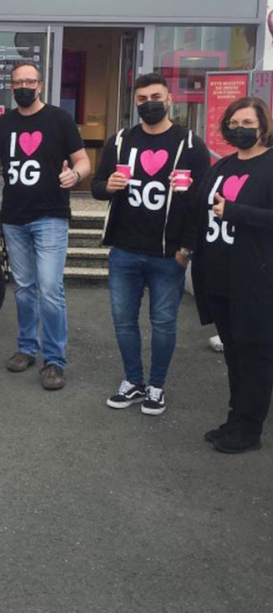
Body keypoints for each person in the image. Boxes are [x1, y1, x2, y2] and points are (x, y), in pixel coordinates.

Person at [92, 72, 210, 415]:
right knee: (123, 320)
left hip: (167, 254)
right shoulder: (119, 142)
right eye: (142, 99)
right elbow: (98, 186)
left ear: (169, 99)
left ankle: (156, 386)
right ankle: (133, 381)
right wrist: (108, 186)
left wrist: (186, 250)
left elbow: (202, 203)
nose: (149, 104)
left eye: (155, 97)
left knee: (163, 323)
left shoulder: (190, 145)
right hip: (125, 250)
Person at [0, 61, 90, 390]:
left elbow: (83, 160)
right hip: (14, 216)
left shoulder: (59, 119)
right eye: (17, 82)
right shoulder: (4, 123)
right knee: (24, 288)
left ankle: (54, 360)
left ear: (39, 86)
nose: (23, 86)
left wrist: (75, 175)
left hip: (50, 214)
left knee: (50, 288)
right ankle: (26, 348)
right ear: (12, 87)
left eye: (29, 81)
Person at [191, 96, 273, 454]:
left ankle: (250, 429)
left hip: (255, 278)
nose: (239, 129)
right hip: (219, 276)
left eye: (248, 124)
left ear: (264, 127)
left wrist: (237, 212)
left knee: (255, 353)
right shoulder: (221, 165)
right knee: (234, 353)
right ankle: (235, 418)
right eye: (234, 123)